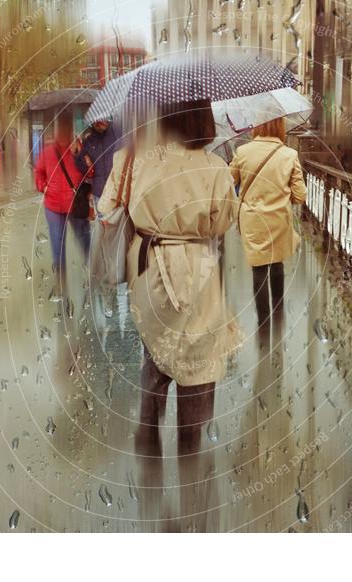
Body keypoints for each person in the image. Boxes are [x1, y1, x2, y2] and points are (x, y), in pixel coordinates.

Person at [97, 99, 239, 456]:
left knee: (154, 349)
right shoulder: (216, 167)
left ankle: (148, 434)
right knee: (198, 355)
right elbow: (223, 222)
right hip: (199, 272)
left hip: (147, 267)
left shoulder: (131, 161)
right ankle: (190, 451)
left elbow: (106, 209)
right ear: (204, 120)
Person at [229, 117, 307, 327]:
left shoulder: (243, 152)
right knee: (277, 263)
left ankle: (263, 322)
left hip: (252, 219)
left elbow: (230, 182)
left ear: (257, 127)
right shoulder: (290, 155)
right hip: (279, 218)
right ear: (280, 127)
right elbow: (300, 196)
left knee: (259, 267)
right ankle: (279, 310)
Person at [33, 113, 91, 278]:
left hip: (76, 205)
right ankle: (61, 281)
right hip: (53, 207)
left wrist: (80, 154)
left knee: (85, 241)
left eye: (67, 127)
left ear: (71, 129)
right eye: (61, 127)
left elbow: (91, 172)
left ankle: (93, 273)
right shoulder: (47, 152)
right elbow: (39, 173)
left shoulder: (79, 149)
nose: (64, 131)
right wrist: (44, 187)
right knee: (57, 245)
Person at [78, 119, 122, 203]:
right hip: (99, 194)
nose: (100, 121)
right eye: (97, 120)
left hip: (117, 192)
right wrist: (79, 156)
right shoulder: (88, 142)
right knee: (101, 216)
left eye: (103, 119)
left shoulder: (117, 136)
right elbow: (83, 170)